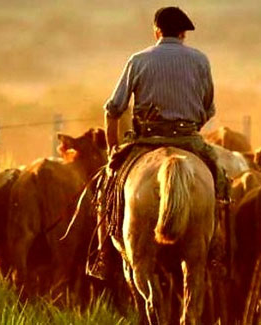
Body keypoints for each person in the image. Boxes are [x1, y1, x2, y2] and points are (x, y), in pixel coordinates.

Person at [87, 6, 228, 281]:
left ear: (156, 31)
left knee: (107, 186)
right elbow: (209, 108)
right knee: (220, 183)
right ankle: (216, 251)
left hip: (145, 140)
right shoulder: (200, 61)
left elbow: (113, 109)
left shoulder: (138, 60)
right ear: (184, 33)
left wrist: (113, 149)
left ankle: (104, 255)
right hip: (188, 137)